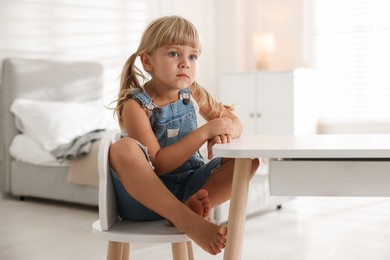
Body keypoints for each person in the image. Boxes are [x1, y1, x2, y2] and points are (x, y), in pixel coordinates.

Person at [109, 15, 259, 255]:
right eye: (173, 54)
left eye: (192, 56)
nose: (185, 63)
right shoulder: (136, 106)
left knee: (248, 161)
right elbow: (158, 164)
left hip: (189, 188)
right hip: (144, 200)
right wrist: (205, 132)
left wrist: (222, 131)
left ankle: (184, 210)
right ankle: (187, 220)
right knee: (122, 148)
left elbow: (234, 122)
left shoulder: (192, 92)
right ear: (148, 61)